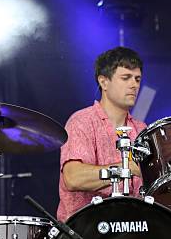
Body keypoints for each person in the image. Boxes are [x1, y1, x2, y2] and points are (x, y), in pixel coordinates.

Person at [57, 46, 146, 222]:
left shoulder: (142, 129)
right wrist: (126, 168)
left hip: (132, 230)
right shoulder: (81, 122)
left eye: (137, 79)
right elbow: (73, 178)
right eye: (126, 78)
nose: (134, 85)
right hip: (84, 232)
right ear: (104, 82)